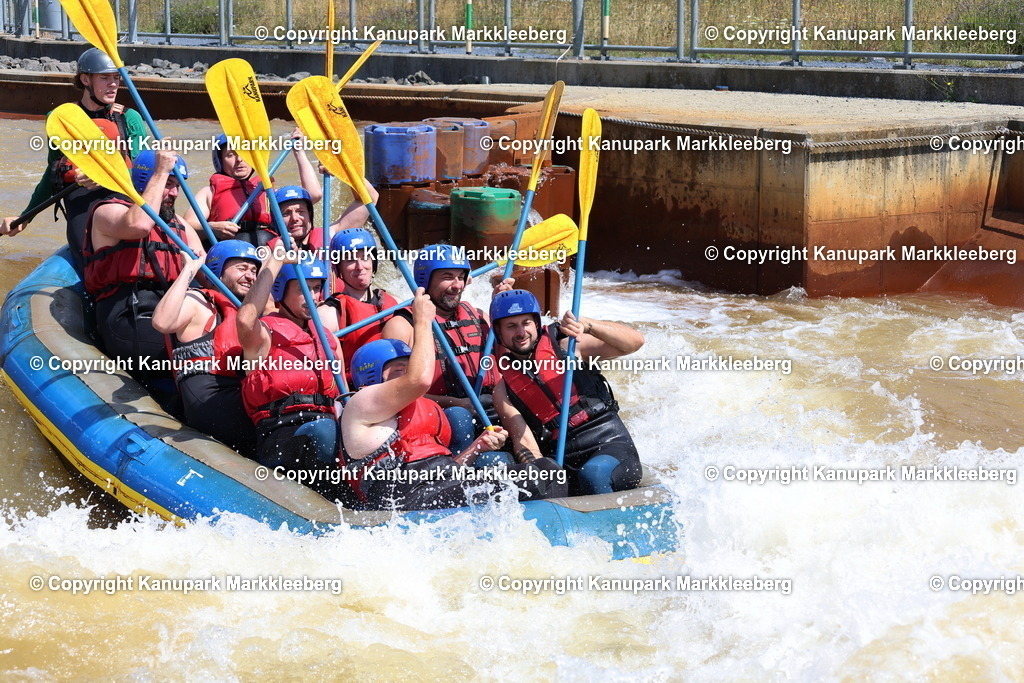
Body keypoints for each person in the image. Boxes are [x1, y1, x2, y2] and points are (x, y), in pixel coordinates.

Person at [341, 293, 568, 511]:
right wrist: (422, 321)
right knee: (536, 482)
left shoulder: (422, 409)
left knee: (547, 472)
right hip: (401, 495)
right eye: (398, 369)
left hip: (438, 486)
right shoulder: (360, 404)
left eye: (408, 367)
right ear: (370, 375)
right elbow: (419, 379)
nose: (406, 374)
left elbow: (448, 472)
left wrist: (478, 446)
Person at [488, 289, 645, 495]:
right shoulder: (502, 387)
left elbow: (635, 342)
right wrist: (540, 471)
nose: (520, 332)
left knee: (594, 474)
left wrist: (587, 324)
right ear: (498, 332)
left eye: (526, 323)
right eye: (511, 326)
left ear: (536, 323)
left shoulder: (568, 344)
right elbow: (523, 439)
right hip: (562, 458)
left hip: (609, 443)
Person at [1, 47, 147, 264]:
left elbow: (143, 171)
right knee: (88, 257)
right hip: (81, 202)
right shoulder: (61, 119)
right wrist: (26, 217)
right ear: (85, 79)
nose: (113, 84)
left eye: (116, 77)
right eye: (104, 78)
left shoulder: (129, 118)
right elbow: (53, 174)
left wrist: (106, 174)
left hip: (122, 200)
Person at [82, 149, 202, 392]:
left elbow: (207, 271)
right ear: (146, 181)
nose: (175, 193)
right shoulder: (108, 211)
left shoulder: (178, 226)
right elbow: (139, 224)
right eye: (169, 184)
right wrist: (161, 170)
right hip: (127, 316)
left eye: (177, 185)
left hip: (168, 314)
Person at [237, 251, 341, 478]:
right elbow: (245, 319)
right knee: (325, 432)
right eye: (303, 289)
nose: (312, 296)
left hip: (326, 427)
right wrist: (275, 261)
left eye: (316, 288)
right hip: (281, 434)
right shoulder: (264, 334)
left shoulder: (327, 338)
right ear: (281, 291)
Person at [152, 240, 260, 456]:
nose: (250, 276)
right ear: (217, 272)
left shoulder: (247, 313)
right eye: (241, 268)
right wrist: (188, 271)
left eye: (254, 271)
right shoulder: (198, 301)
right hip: (212, 404)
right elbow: (162, 322)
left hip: (239, 400)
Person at [380, 244, 505, 420]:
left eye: (461, 277)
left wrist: (504, 312)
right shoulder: (401, 327)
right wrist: (456, 403)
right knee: (458, 417)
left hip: (492, 408)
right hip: (442, 417)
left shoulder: (479, 315)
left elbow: (511, 363)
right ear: (425, 280)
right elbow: (393, 392)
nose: (457, 286)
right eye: (448, 277)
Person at [184, 129, 323, 246]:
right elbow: (187, 226)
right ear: (220, 161)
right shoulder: (209, 192)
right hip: (232, 257)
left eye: (244, 154)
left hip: (268, 255)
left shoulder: (267, 191)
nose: (239, 160)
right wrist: (213, 228)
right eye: (231, 155)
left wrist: (299, 152)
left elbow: (313, 195)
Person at [319, 227, 398, 382]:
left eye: (365, 258)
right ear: (338, 267)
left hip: (399, 383)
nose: (360, 266)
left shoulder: (396, 302)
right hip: (359, 392)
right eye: (350, 260)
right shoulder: (329, 313)